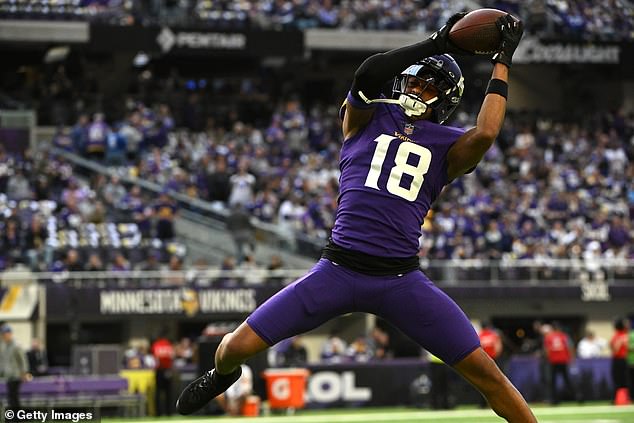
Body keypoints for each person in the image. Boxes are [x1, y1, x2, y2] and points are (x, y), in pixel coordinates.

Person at [177, 12, 536, 422]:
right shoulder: (365, 118)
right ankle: (222, 376)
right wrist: (437, 43)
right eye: (414, 80)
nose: (417, 89)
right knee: (231, 349)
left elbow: (487, 132)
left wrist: (502, 59)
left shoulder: (451, 146)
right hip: (338, 269)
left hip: (400, 279)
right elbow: (366, 75)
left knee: (487, 374)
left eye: (429, 86)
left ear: (446, 99)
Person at [542, 322, 575, 404]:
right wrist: (571, 359)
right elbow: (570, 347)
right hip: (563, 360)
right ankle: (576, 397)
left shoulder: (548, 337)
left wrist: (548, 358)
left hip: (554, 361)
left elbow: (546, 350)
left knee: (553, 381)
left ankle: (554, 400)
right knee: (567, 380)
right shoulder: (564, 336)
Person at [0, 324, 30, 410]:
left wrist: (24, 373)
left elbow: (23, 360)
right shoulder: (4, 346)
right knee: (11, 398)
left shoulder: (16, 345)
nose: (3, 336)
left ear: (9, 334)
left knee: (14, 398)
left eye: (4, 334)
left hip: (16, 376)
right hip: (9, 375)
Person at [151, 331, 175, 416]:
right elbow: (172, 357)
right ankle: (169, 412)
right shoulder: (168, 345)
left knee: (158, 392)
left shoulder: (156, 345)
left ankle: (158, 413)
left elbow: (155, 357)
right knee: (168, 392)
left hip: (159, 370)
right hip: (167, 370)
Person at [610, 317, 629, 403]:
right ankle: (624, 399)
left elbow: (615, 350)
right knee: (624, 380)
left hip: (620, 360)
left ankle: (619, 399)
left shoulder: (617, 336)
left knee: (619, 380)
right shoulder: (626, 335)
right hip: (624, 360)